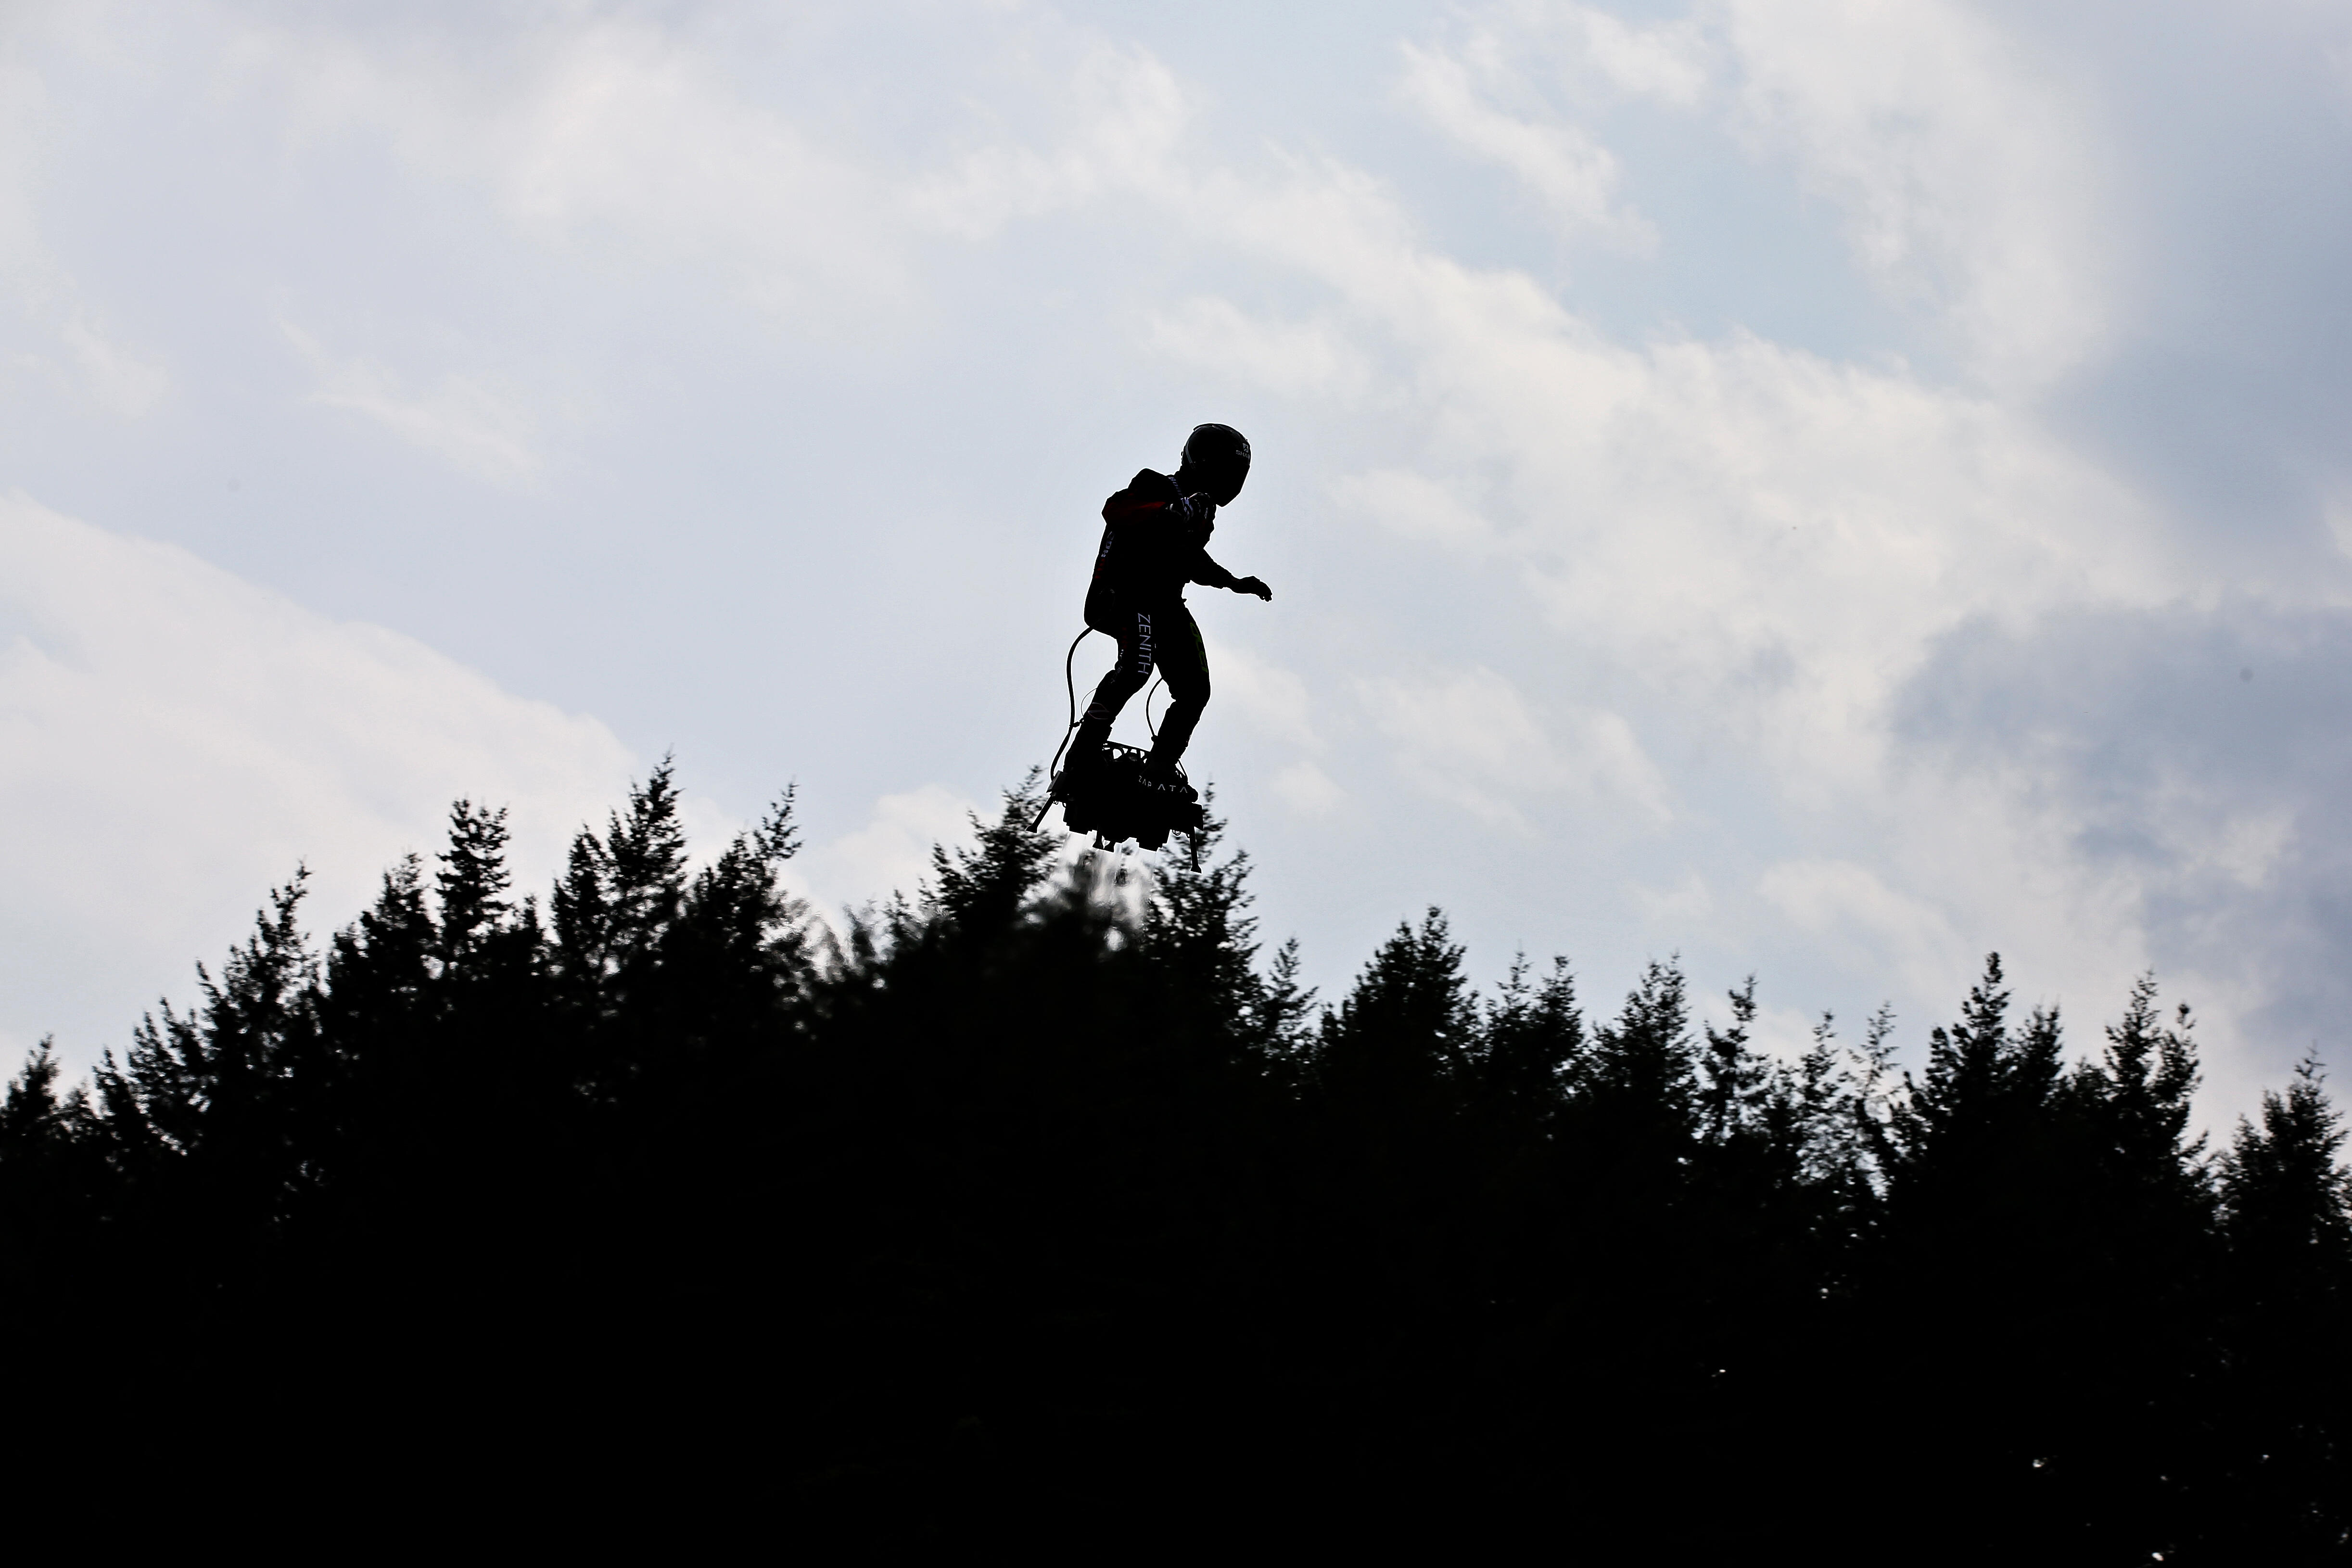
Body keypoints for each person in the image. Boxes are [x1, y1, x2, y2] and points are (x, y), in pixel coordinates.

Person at [1066, 423, 1272, 797]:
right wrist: (1171, 511)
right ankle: (1083, 753)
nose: (1231, 482)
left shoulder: (1202, 510)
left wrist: (1233, 582)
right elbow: (1116, 509)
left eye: (1237, 475)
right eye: (1226, 471)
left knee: (1195, 690)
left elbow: (1192, 560)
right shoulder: (1157, 484)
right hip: (1122, 595)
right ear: (1201, 462)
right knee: (1136, 668)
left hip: (1163, 604)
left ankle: (1158, 771)